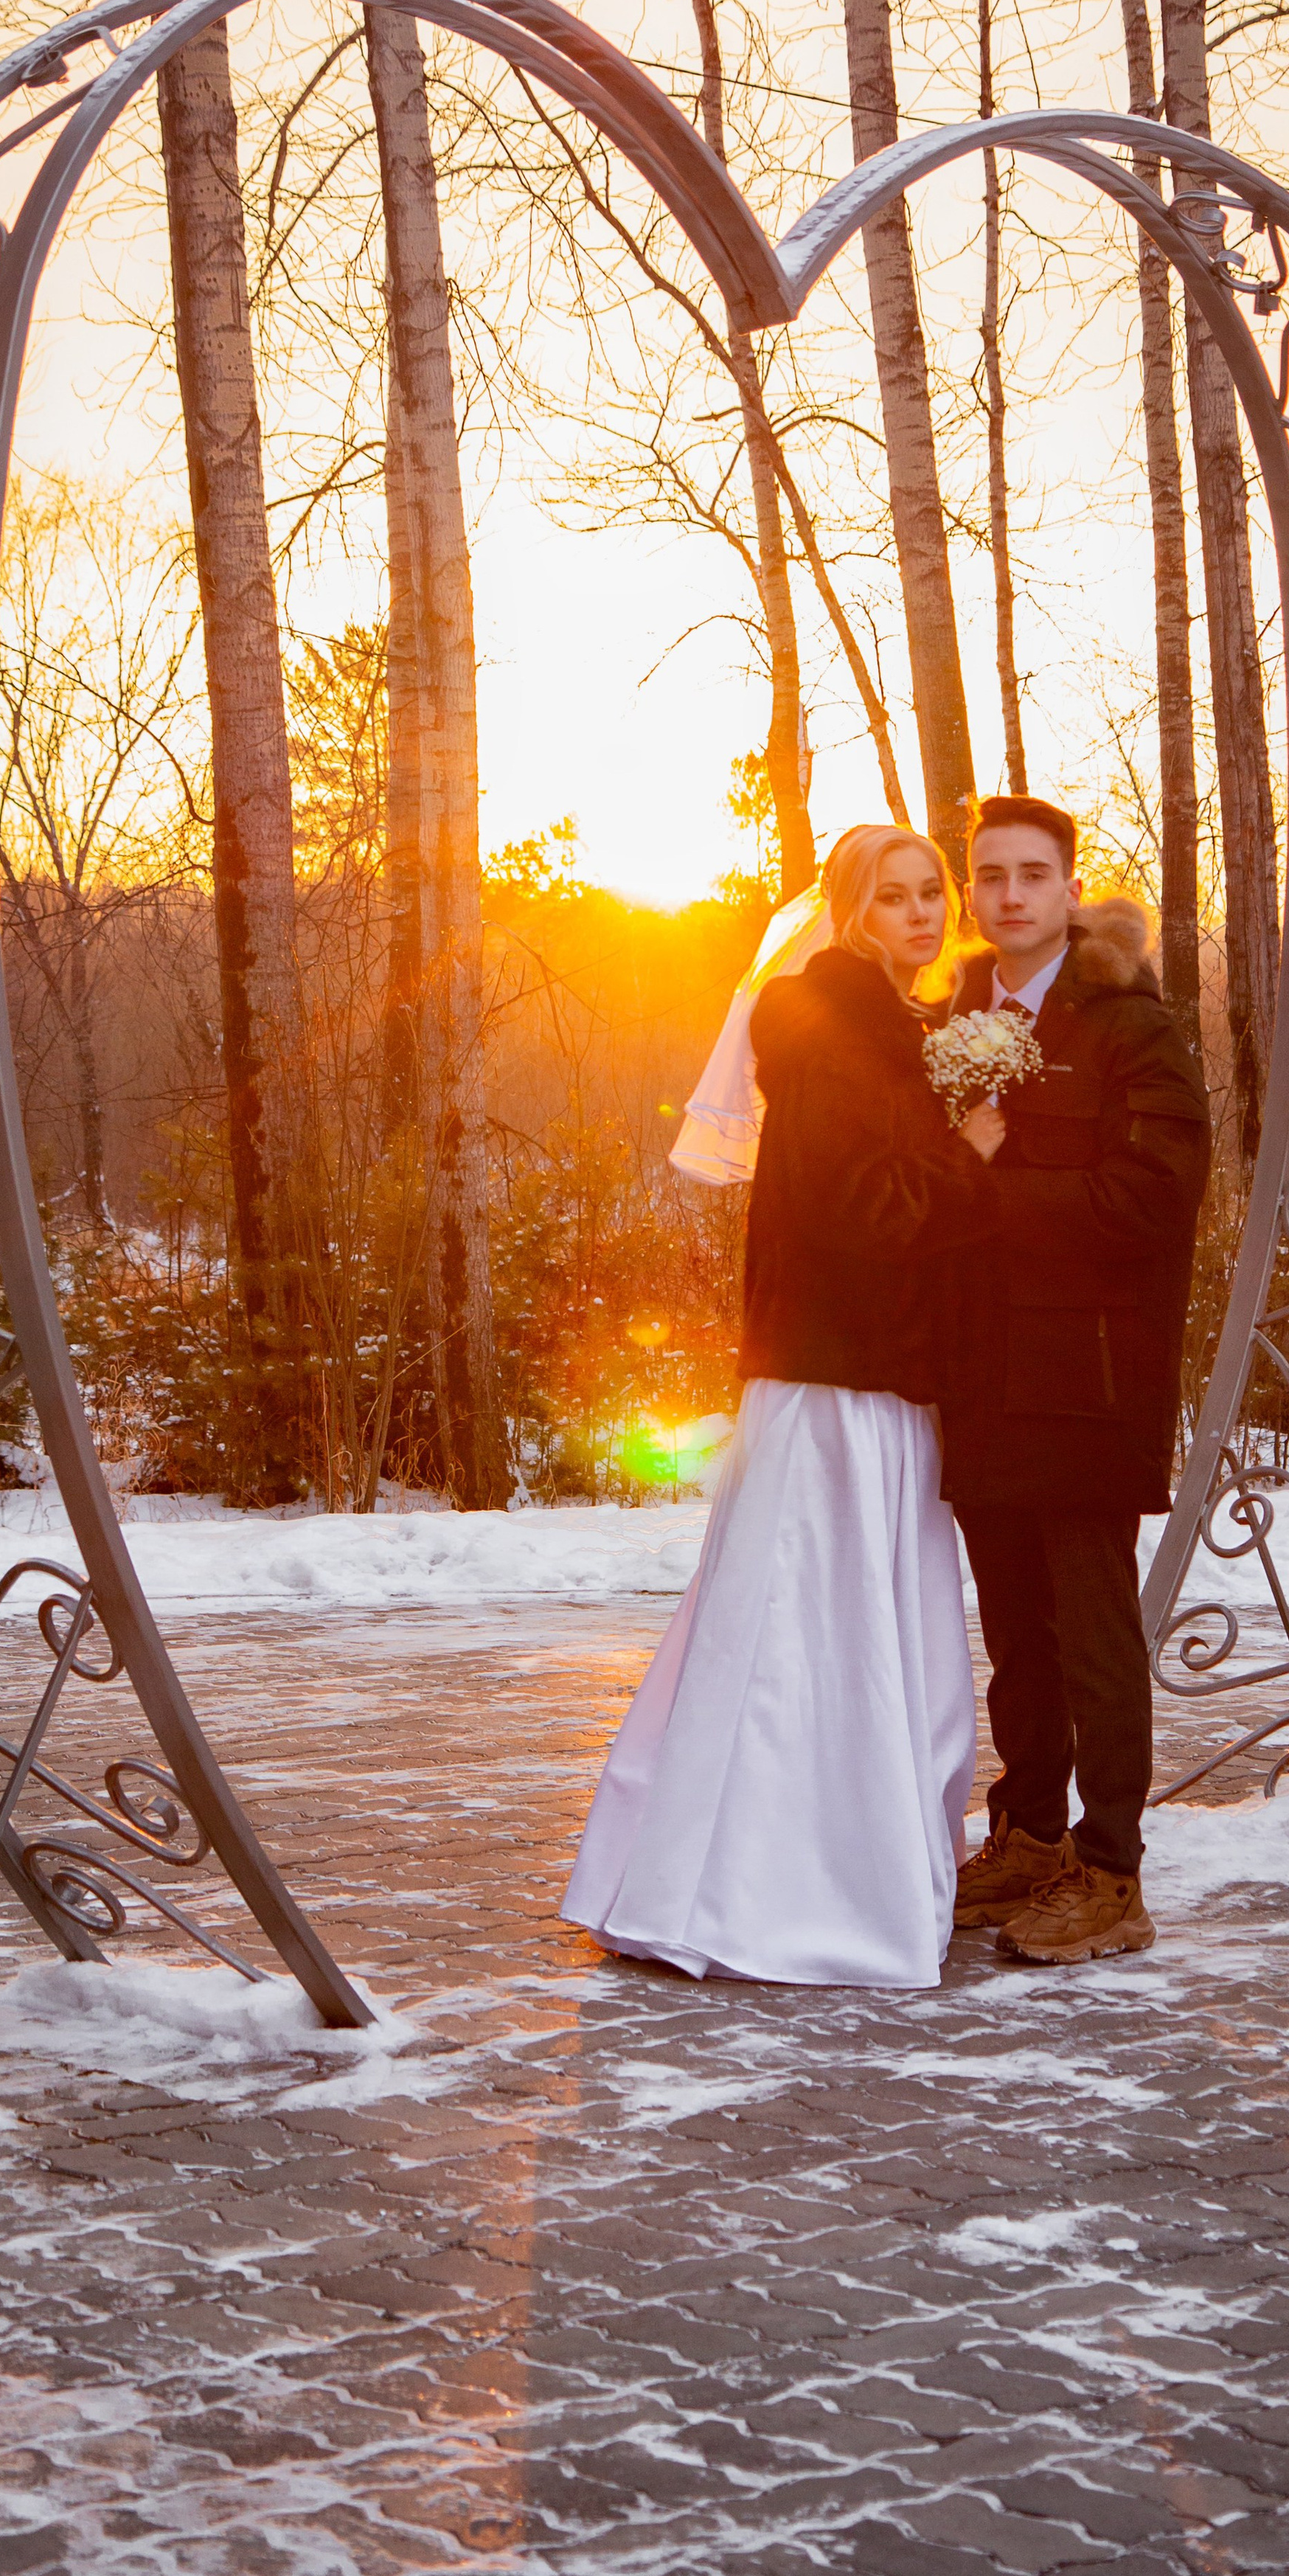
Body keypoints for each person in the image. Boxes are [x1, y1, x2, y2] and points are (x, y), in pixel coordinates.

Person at [560, 826, 1004, 1987]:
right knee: (821, 1628)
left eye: (930, 895)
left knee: (826, 1625)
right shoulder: (832, 1035)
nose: (919, 914)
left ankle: (776, 1877)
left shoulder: (874, 1026)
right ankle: (783, 1895)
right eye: (893, 898)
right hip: (839, 1381)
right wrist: (971, 1155)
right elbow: (858, 1212)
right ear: (850, 915)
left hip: (860, 1373)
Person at [940, 794, 1210, 1966]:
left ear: (1067, 888)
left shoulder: (1131, 1026)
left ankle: (1112, 1871)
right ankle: (1032, 1832)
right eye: (989, 873)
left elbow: (1152, 1200)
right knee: (1015, 1628)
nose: (1008, 894)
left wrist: (999, 1172)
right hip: (982, 1365)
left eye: (1031, 875)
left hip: (1089, 1369)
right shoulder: (952, 1010)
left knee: (1094, 1626)